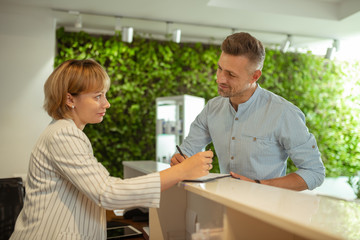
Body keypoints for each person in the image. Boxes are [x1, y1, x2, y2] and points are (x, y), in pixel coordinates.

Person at [10, 59, 213, 240]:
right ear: (70, 99)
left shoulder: (64, 131)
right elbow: (107, 192)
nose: (106, 104)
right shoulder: (64, 135)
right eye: (98, 96)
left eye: (104, 95)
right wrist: (181, 171)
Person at [171, 32, 325, 191]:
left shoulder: (284, 113)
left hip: (266, 210)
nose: (220, 79)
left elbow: (314, 172)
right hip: (224, 204)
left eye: (231, 74)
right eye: (220, 69)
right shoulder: (212, 109)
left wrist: (259, 186)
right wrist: (180, 160)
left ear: (255, 76)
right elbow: (186, 151)